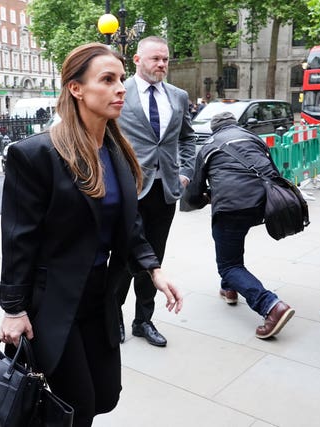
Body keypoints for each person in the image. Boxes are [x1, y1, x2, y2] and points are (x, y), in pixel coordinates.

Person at [0, 42, 183, 427]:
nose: (121, 89)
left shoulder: (116, 151)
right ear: (76, 89)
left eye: (120, 79)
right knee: (76, 405)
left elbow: (128, 224)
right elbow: (18, 239)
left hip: (101, 297)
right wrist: (14, 310)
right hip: (54, 302)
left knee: (105, 395)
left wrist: (153, 269)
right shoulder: (35, 155)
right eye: (108, 80)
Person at [113, 36, 196, 347]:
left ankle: (143, 321)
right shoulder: (119, 92)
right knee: (122, 258)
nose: (161, 64)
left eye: (165, 59)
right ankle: (113, 318)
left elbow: (188, 139)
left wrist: (186, 173)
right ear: (137, 59)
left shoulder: (179, 96)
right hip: (129, 189)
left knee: (154, 258)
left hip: (165, 191)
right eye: (155, 59)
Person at [184, 112, 295, 338]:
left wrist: (204, 198)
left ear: (215, 129)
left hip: (231, 208)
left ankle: (270, 306)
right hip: (264, 205)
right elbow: (272, 171)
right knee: (232, 247)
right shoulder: (253, 138)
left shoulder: (209, 146)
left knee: (228, 265)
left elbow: (193, 194)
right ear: (235, 124)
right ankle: (229, 288)